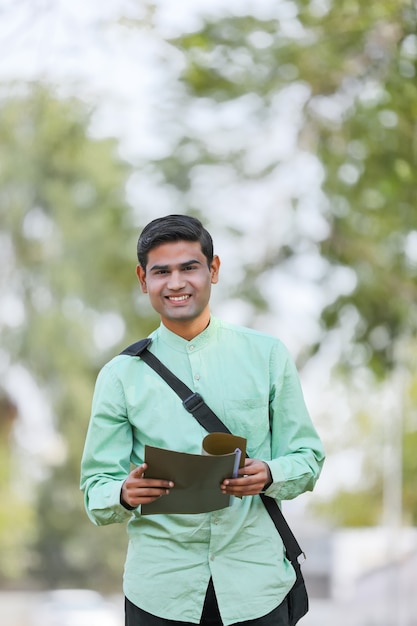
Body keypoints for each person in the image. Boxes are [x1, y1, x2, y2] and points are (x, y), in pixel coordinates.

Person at [80, 214, 325, 626]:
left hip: (256, 586)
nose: (176, 283)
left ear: (213, 270)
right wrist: (125, 491)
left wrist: (268, 472)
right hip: (160, 592)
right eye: (161, 272)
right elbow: (94, 488)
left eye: (189, 267)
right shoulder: (120, 376)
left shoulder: (267, 356)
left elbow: (308, 457)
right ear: (143, 280)